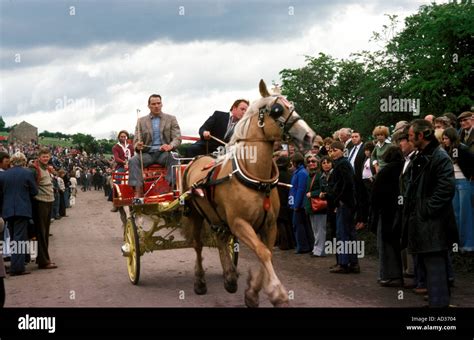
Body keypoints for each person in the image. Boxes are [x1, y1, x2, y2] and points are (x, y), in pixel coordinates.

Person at [403, 119, 458, 307]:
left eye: (411, 136)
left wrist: (426, 210)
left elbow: (446, 188)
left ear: (421, 135)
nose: (409, 139)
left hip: (434, 223)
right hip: (424, 222)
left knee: (436, 264)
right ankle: (437, 302)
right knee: (430, 264)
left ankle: (439, 305)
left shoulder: (439, 156)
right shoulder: (423, 155)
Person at [128, 94, 182, 200]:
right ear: (149, 106)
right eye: (153, 104)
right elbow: (136, 141)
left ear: (162, 104)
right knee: (133, 160)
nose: (156, 106)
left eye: (158, 103)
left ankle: (170, 188)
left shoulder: (171, 119)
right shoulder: (141, 121)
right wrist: (138, 145)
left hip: (164, 154)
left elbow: (177, 138)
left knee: (175, 157)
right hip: (147, 154)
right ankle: (138, 191)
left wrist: (170, 146)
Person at [371, 146, 404, 287]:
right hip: (401, 210)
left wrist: (373, 214)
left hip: (386, 213)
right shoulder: (404, 168)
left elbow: (376, 196)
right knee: (399, 244)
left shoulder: (385, 172)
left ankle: (388, 275)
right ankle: (400, 275)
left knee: (385, 245)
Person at [0, 152, 38, 275]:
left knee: (12, 238)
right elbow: (34, 191)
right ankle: (18, 267)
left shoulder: (4, 175)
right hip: (22, 209)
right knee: (20, 239)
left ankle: (15, 264)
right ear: (23, 161)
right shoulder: (27, 173)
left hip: (8, 210)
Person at [324, 141, 359, 274]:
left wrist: (339, 200)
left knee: (343, 233)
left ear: (341, 150)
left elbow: (348, 184)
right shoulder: (341, 164)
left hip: (344, 204)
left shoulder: (343, 164)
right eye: (330, 151)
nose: (332, 153)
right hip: (347, 203)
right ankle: (352, 263)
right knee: (349, 233)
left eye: (334, 150)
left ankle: (344, 263)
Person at [442, 127, 474, 252]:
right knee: (455, 214)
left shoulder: (461, 148)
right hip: (453, 182)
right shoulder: (446, 149)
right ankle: (458, 244)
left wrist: (470, 176)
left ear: (452, 138)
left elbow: (471, 162)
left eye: (446, 138)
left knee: (465, 214)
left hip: (464, 183)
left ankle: (468, 245)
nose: (444, 141)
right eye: (443, 138)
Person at [30, 148, 58, 270]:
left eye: (47, 156)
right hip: (41, 202)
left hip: (48, 201)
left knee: (44, 232)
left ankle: (41, 258)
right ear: (39, 157)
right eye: (43, 156)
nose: (46, 158)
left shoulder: (46, 168)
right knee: (41, 233)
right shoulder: (34, 169)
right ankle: (44, 261)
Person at [288, 153, 312, 254]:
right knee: (303, 225)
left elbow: (300, 190)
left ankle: (302, 246)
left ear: (295, 162)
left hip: (300, 205)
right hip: (299, 204)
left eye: (292, 162)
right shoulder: (299, 172)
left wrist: (296, 205)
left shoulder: (301, 173)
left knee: (298, 225)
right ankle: (306, 245)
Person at [304, 155, 327, 257]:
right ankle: (316, 249)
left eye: (313, 161)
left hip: (319, 206)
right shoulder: (310, 175)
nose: (311, 163)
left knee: (320, 229)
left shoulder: (320, 174)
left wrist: (313, 194)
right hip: (312, 206)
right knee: (315, 229)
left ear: (318, 163)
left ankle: (319, 251)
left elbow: (324, 189)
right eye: (308, 161)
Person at [110, 130, 134, 212]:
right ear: (119, 137)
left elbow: (134, 156)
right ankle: (115, 202)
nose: (123, 138)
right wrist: (124, 162)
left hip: (131, 166)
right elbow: (116, 158)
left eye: (125, 136)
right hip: (121, 166)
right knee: (116, 180)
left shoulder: (131, 146)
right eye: (122, 136)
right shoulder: (115, 147)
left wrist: (131, 163)